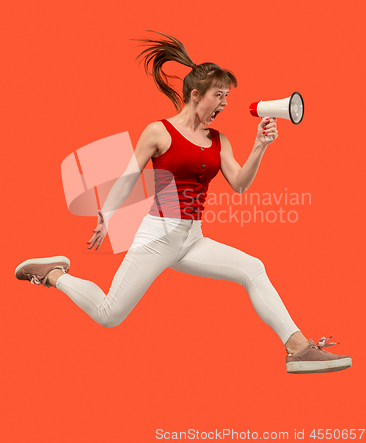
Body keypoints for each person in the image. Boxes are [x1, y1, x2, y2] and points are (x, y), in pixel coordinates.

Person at [15, 32, 351, 374]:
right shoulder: (159, 131)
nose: (225, 103)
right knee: (108, 315)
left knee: (252, 268)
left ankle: (298, 349)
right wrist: (106, 215)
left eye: (227, 97)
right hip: (158, 236)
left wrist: (261, 146)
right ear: (196, 95)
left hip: (192, 238)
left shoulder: (219, 140)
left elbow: (239, 185)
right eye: (219, 95)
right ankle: (53, 273)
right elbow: (130, 175)